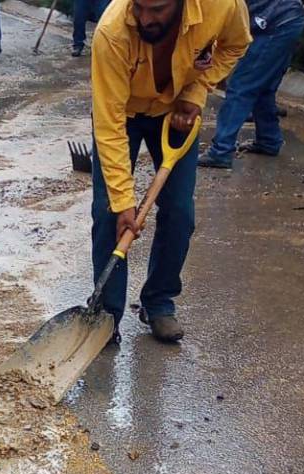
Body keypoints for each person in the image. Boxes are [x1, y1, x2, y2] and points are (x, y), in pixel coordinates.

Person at [90, 0, 250, 342]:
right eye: (140, 8)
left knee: (179, 212)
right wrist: (123, 200)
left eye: (158, 10)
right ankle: (105, 315)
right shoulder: (112, 32)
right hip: (125, 116)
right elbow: (109, 123)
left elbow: (236, 44)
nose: (146, 19)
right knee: (109, 214)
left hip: (176, 110)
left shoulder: (221, 6)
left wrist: (196, 90)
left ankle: (159, 302)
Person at [198, 0, 304, 169]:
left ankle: (220, 151)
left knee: (241, 88)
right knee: (263, 87)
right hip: (286, 18)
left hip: (274, 22)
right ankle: (269, 140)